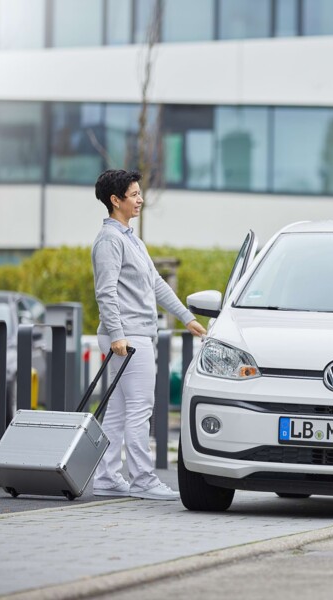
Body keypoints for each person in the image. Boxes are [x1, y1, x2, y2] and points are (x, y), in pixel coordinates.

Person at [91, 169, 206, 500]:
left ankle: (108, 477)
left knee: (118, 410)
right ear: (115, 201)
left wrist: (186, 318)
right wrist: (117, 335)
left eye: (140, 193)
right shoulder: (110, 241)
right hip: (128, 337)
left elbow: (156, 283)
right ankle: (142, 480)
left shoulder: (130, 239)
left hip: (133, 335)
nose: (141, 199)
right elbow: (106, 293)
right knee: (139, 408)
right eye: (134, 194)